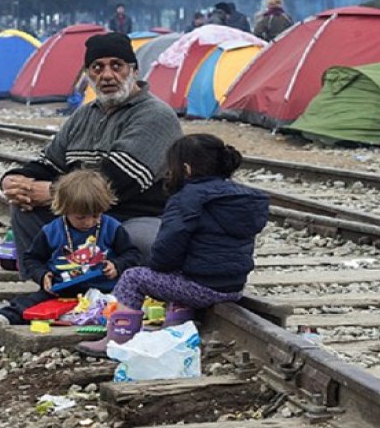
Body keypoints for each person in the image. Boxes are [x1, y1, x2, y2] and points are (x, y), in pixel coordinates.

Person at [0, 32, 182, 351]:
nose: (106, 75)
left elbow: (116, 182)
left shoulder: (154, 115)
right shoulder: (84, 115)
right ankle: (53, 280)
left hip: (136, 214)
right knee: (24, 207)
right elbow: (49, 160)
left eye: (116, 65)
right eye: (97, 67)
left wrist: (50, 192)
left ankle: (102, 288)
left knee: (137, 243)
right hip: (86, 218)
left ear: (134, 69)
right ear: (87, 74)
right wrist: (14, 180)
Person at [77, 134, 270, 356]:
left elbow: (168, 248)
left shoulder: (186, 198)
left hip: (201, 287)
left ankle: (118, 339)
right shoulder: (243, 198)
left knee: (134, 278)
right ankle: (176, 327)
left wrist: (155, 266)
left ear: (186, 169)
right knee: (181, 273)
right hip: (233, 286)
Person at [0, 170, 143, 353]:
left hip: (105, 292)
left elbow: (132, 254)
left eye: (96, 215)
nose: (89, 222)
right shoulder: (52, 231)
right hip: (61, 290)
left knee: (129, 306)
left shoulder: (111, 227)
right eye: (81, 217)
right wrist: (42, 275)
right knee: (24, 304)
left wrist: (117, 265)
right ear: (65, 209)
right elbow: (32, 258)